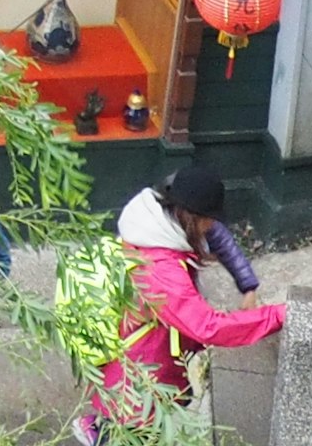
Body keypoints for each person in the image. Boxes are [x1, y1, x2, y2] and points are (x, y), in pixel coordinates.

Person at [81, 163, 281, 439]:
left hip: (133, 363)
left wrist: (248, 285)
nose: (214, 225)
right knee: (133, 433)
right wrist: (278, 315)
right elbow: (208, 327)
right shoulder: (161, 268)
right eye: (210, 219)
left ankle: (98, 426)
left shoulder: (154, 223)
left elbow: (220, 240)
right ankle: (100, 432)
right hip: (140, 382)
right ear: (194, 217)